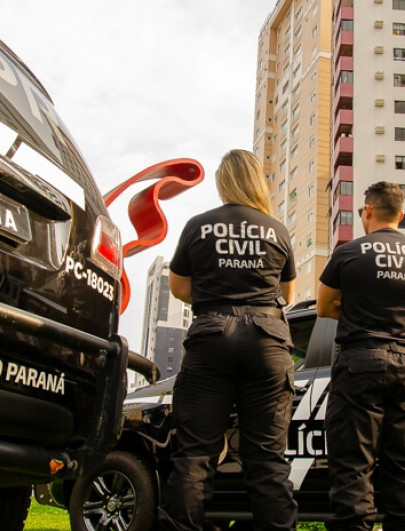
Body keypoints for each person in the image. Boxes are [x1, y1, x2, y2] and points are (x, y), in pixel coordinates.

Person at [158, 149, 298, 531]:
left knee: (195, 457)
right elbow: (286, 293)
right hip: (267, 341)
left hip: (211, 336)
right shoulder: (277, 229)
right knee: (267, 461)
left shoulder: (197, 225)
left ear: (224, 183)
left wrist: (213, 296)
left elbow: (179, 287)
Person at [316, 181, 405, 531]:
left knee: (353, 468)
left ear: (367, 211)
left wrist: (357, 307)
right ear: (401, 214)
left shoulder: (350, 253)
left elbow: (324, 306)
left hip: (362, 364)